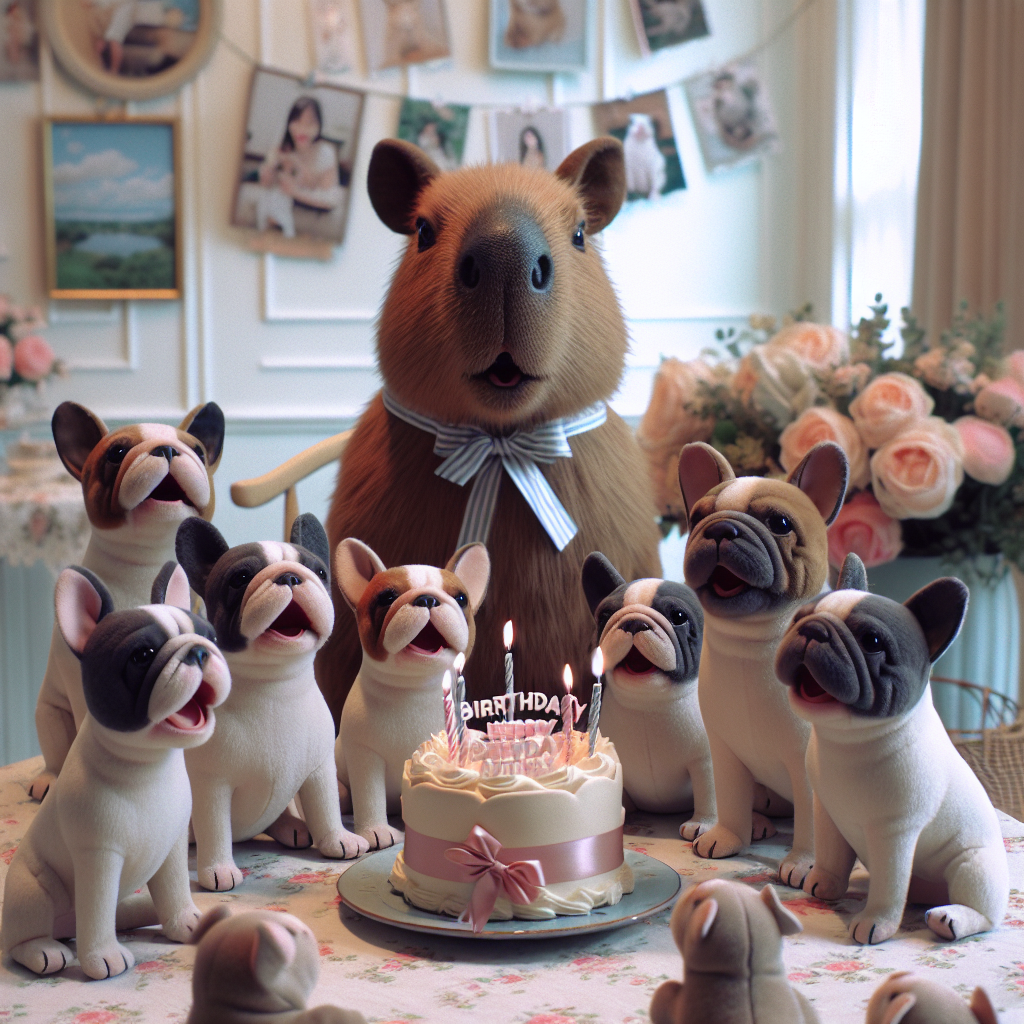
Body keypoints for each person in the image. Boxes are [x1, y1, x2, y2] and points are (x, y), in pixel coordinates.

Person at [255, 96, 343, 239]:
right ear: (289, 123)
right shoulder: (283, 149)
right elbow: (266, 183)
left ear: (319, 125)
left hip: (308, 205)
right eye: (297, 121)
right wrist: (270, 169)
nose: (302, 129)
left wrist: (295, 192)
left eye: (309, 122)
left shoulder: (325, 152)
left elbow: (331, 200)